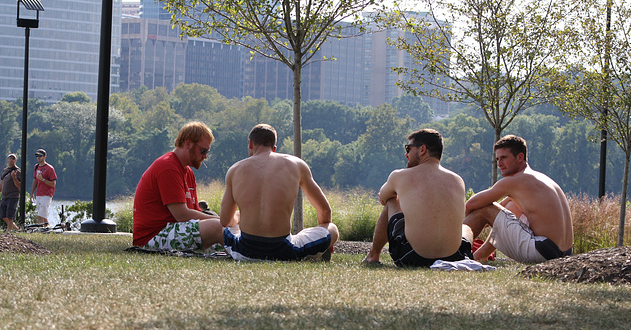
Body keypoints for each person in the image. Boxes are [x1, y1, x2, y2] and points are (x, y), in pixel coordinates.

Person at [220, 123, 339, 261]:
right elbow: (325, 212)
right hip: (284, 252)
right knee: (332, 229)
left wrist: (240, 217)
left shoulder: (235, 170)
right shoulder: (297, 165)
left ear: (250, 144)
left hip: (244, 252)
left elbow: (225, 221)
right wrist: (322, 234)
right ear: (274, 148)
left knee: (224, 229)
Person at [363, 129, 473, 267]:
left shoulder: (399, 175)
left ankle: (373, 255)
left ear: (422, 150)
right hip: (454, 258)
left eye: (408, 148)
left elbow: (383, 197)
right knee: (466, 228)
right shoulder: (458, 180)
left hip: (411, 257)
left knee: (392, 199)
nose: (406, 154)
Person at [464, 134, 573, 263]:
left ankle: (457, 250)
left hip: (542, 250)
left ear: (520, 157)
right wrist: (492, 218)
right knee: (511, 207)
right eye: (497, 159)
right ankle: (480, 256)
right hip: (564, 252)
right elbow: (504, 208)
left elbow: (471, 204)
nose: (499, 164)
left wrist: (470, 221)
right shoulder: (540, 178)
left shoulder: (514, 181)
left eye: (503, 158)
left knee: (485, 208)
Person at [132, 121, 224, 251]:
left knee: (226, 229)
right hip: (152, 237)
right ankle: (249, 255)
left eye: (207, 151)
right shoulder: (168, 167)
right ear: (188, 144)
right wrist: (221, 221)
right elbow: (182, 215)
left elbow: (193, 214)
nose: (205, 156)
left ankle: (249, 251)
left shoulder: (188, 172)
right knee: (218, 227)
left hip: (174, 230)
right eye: (203, 150)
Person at [31, 149, 57, 225]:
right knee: (44, 217)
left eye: (40, 156)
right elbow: (35, 180)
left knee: (40, 216)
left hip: (46, 194)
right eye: (37, 156)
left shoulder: (50, 168)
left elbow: (53, 184)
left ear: (44, 157)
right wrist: (32, 193)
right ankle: (49, 231)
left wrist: (42, 179)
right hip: (38, 194)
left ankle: (40, 232)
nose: (38, 157)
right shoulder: (36, 167)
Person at [0, 153, 21, 231]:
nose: (11, 160)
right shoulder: (5, 170)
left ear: (15, 160)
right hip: (4, 196)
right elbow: (1, 183)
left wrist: (14, 177)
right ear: (7, 159)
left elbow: (19, 186)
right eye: (10, 158)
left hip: (13, 196)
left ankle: (8, 232)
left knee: (10, 215)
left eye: (13, 158)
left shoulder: (17, 171)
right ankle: (16, 229)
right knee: (3, 215)